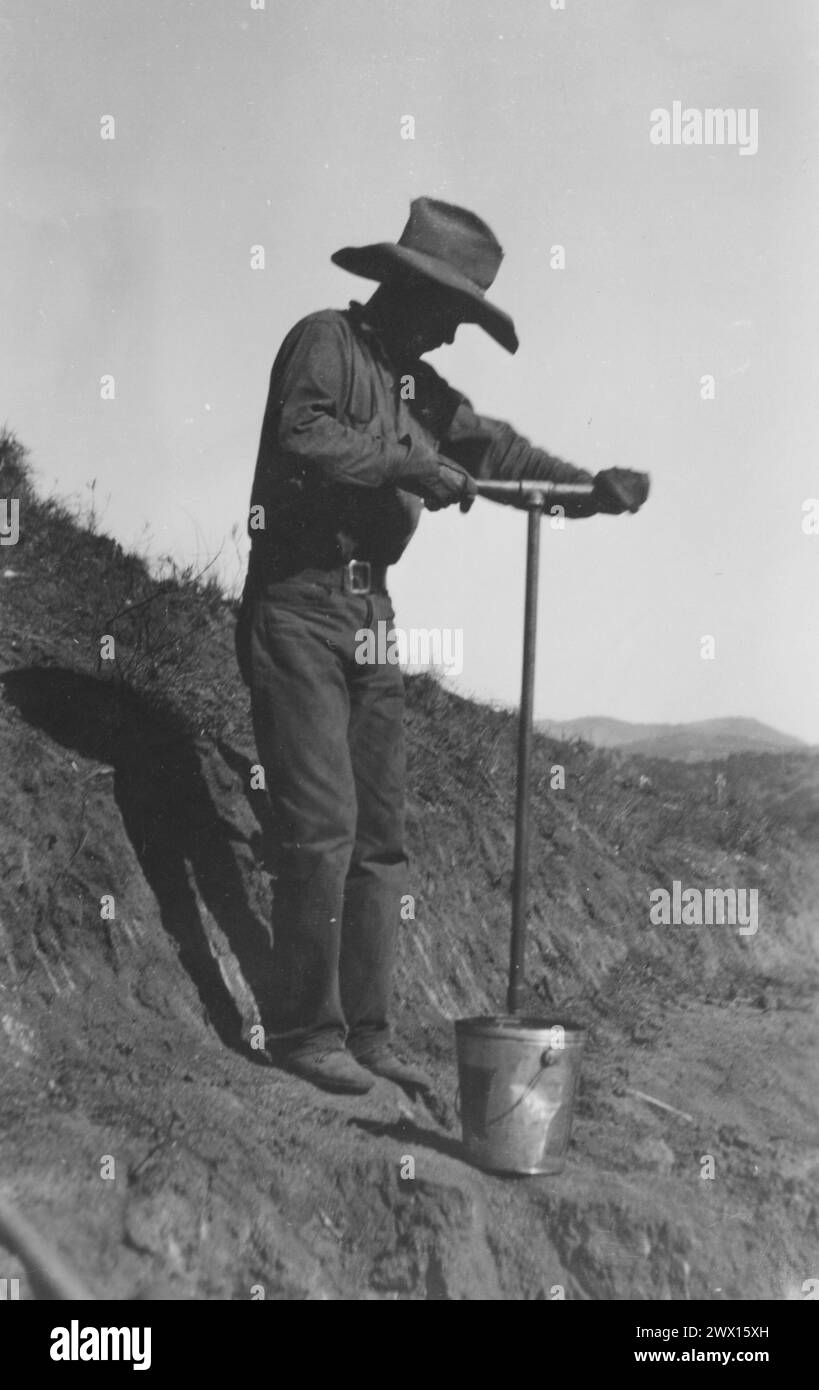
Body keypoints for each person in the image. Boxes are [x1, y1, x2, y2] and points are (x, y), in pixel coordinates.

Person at [235, 197, 648, 1095]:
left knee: (380, 837)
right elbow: (301, 439)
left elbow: (489, 449)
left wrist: (588, 489)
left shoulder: (419, 385)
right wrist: (405, 466)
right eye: (454, 316)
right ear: (409, 291)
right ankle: (305, 1032)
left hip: (370, 616)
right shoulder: (323, 343)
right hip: (298, 602)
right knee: (319, 827)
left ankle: (368, 1033)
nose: (455, 337)